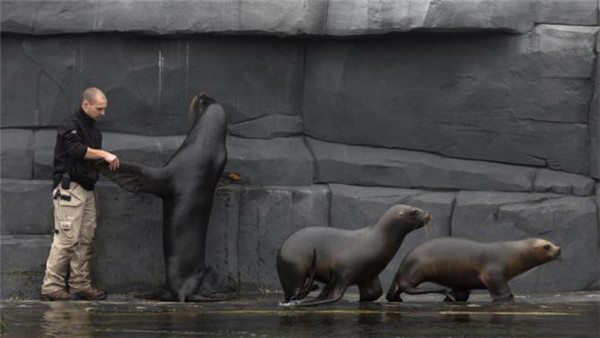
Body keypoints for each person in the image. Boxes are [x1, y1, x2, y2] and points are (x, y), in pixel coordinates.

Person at [40, 87, 120, 301]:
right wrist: (105, 154)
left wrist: (106, 162)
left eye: (104, 109)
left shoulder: (95, 131)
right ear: (86, 104)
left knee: (85, 239)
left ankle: (80, 284)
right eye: (99, 108)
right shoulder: (70, 125)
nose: (103, 113)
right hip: (69, 188)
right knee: (66, 239)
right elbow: (76, 150)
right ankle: (51, 286)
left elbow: (90, 157)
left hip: (87, 189)